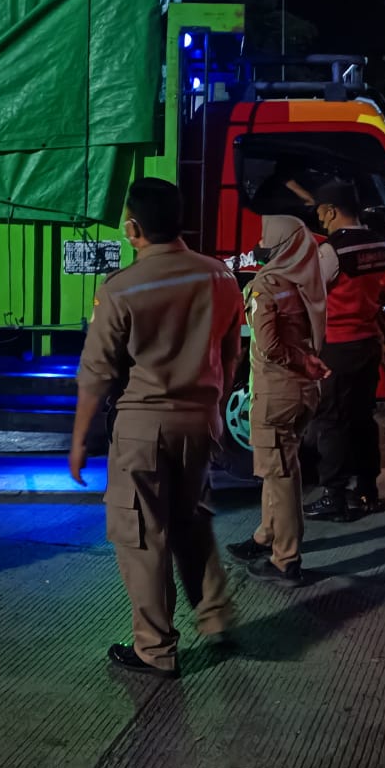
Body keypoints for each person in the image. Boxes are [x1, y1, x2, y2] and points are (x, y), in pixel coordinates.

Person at [70, 177, 243, 678]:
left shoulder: (122, 288)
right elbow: (230, 353)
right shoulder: (220, 277)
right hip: (201, 420)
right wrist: (211, 401)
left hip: (144, 425)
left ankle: (155, 649)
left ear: (133, 229)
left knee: (142, 536)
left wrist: (80, 441)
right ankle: (215, 619)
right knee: (192, 521)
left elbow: (96, 373)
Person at [227, 214, 330, 587]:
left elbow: (269, 346)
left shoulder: (266, 286)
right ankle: (265, 535)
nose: (260, 245)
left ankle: (286, 559)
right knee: (280, 469)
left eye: (266, 239)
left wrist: (301, 360)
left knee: (281, 476)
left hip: (277, 393)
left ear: (279, 247)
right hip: (302, 392)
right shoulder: (304, 280)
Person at [297, 180, 385, 522]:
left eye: (321, 212)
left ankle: (333, 495)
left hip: (338, 345)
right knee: (362, 418)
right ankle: (367, 489)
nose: (320, 220)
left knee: (331, 420)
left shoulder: (332, 250)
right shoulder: (380, 242)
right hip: (368, 342)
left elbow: (311, 293)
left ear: (333, 211)